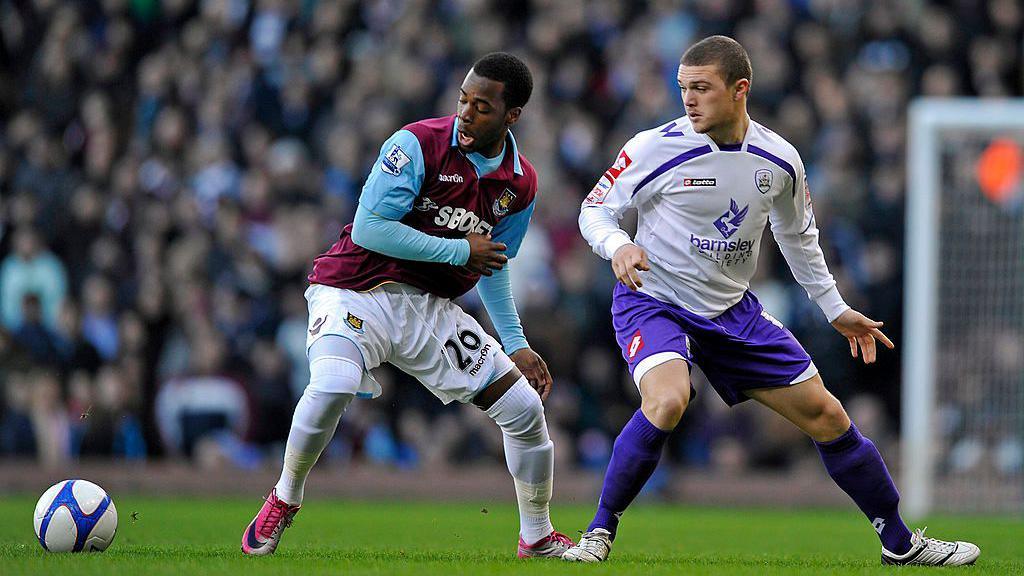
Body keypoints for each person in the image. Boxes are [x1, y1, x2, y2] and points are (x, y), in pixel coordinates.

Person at [562, 36, 979, 567]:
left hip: (734, 311)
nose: (689, 100)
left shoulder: (779, 160)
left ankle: (902, 544)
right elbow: (594, 209)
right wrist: (618, 245)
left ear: (740, 90)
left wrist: (834, 309)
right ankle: (597, 534)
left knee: (828, 416)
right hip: (655, 300)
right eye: (684, 88)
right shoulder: (653, 146)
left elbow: (798, 238)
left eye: (702, 89)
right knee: (668, 399)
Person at [241, 52, 573, 558]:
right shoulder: (415, 144)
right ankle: (285, 497)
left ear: (512, 116)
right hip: (356, 287)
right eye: (463, 100)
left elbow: (495, 265)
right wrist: (461, 249)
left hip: (428, 310)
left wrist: (517, 344)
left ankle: (537, 536)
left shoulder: (520, 185)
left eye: (482, 107)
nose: (465, 113)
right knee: (334, 383)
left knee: (526, 411)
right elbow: (372, 227)